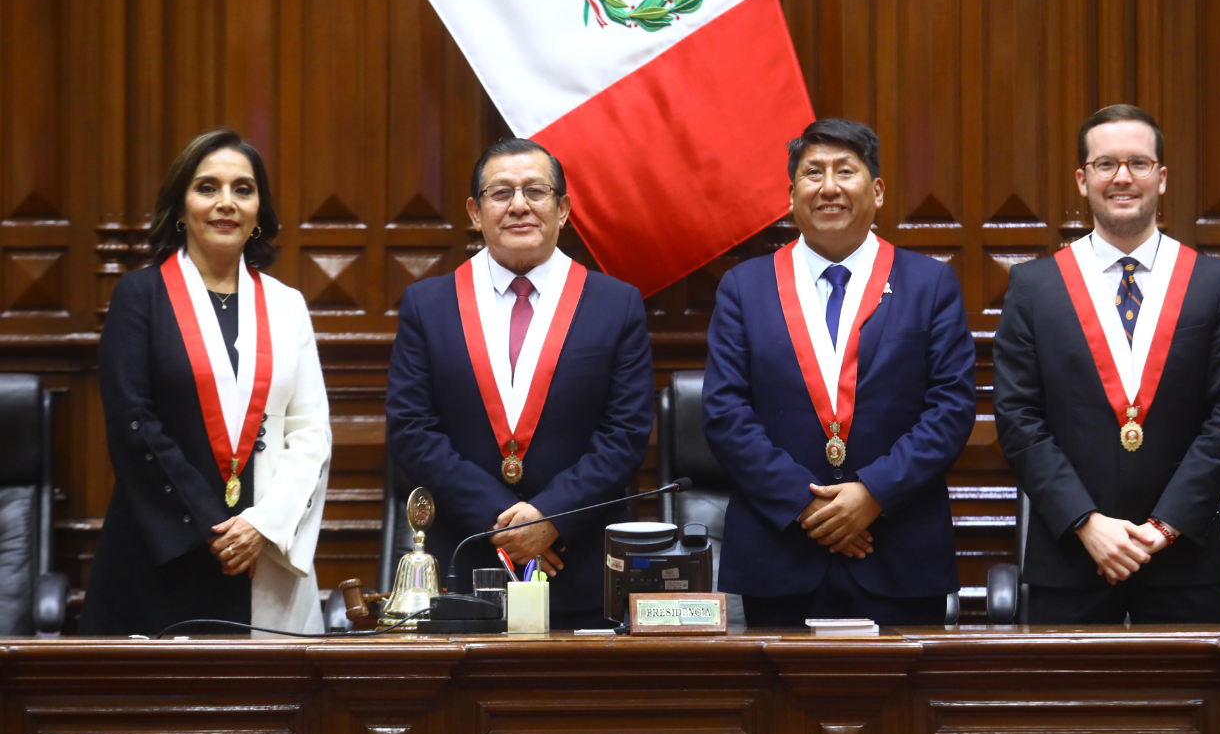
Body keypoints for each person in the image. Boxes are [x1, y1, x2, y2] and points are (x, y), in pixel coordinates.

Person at [702, 118, 976, 626]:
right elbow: (725, 412)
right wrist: (807, 507)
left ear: (876, 190)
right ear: (791, 195)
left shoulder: (929, 284)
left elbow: (951, 409)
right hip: (780, 552)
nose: (829, 188)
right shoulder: (745, 287)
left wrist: (872, 495)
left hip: (898, 552)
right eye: (813, 174)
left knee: (905, 706)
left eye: (845, 172)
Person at [993, 104, 1220, 625]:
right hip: (1070, 560)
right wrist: (1087, 524)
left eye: (1138, 163)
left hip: (1183, 562)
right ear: (1082, 178)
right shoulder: (1034, 288)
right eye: (1105, 164)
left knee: (1192, 706)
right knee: (1068, 709)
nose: (1122, 178)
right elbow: (1019, 420)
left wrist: (1163, 528)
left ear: (1161, 179)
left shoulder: (1214, 283)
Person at [386, 138, 652, 630]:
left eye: (536, 190)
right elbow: (411, 430)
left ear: (564, 208)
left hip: (578, 567)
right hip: (465, 570)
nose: (519, 205)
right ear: (474, 210)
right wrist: (506, 523)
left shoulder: (615, 305)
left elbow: (625, 434)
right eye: (500, 192)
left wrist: (551, 518)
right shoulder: (429, 305)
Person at [81, 129, 331, 635]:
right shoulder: (140, 296)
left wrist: (261, 525)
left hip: (264, 550)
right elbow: (133, 424)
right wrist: (216, 527)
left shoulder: (287, 305)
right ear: (180, 205)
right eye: (207, 187)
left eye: (243, 189)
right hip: (164, 551)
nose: (226, 203)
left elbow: (310, 432)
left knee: (271, 709)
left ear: (259, 210)